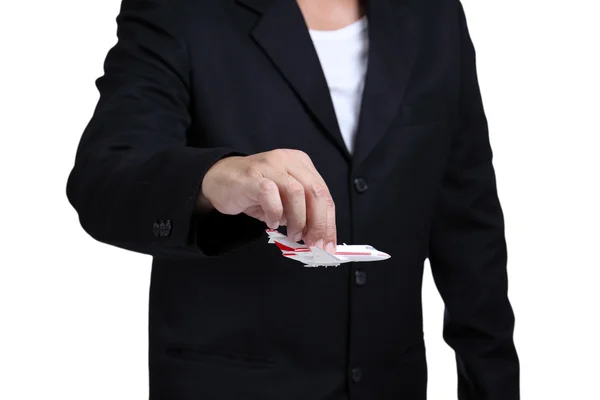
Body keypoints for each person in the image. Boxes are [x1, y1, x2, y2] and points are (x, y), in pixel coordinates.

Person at [66, 0, 520, 398]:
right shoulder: (183, 8)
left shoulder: (432, 14)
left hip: (391, 382)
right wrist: (212, 176)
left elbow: (468, 222)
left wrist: (491, 384)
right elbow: (105, 177)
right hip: (231, 385)